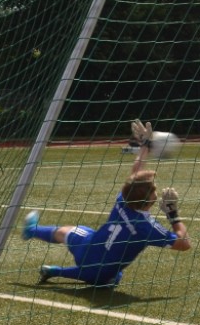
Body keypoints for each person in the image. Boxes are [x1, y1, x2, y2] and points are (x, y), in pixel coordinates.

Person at [21, 119, 191, 286]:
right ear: (149, 201)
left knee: (70, 231)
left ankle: (32, 230)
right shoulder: (146, 227)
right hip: (102, 276)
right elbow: (184, 244)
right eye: (154, 190)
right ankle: (56, 271)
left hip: (86, 249)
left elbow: (135, 174)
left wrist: (145, 146)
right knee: (110, 275)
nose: (156, 190)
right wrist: (172, 213)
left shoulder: (123, 201)